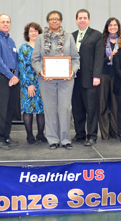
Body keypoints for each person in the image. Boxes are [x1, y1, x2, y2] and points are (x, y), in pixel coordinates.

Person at [31, 10, 80, 150]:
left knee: (64, 109)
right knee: (50, 109)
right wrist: (41, 72)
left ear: (61, 21)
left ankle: (65, 139)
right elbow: (35, 59)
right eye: (51, 19)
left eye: (57, 19)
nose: (54, 21)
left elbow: (75, 59)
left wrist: (72, 71)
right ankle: (52, 139)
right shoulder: (40, 38)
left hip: (66, 80)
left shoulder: (69, 37)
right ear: (47, 21)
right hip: (46, 80)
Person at [71, 9, 104, 146]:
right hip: (73, 79)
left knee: (91, 109)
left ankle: (91, 136)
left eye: (85, 18)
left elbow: (98, 57)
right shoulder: (71, 36)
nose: (82, 20)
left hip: (90, 79)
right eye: (80, 18)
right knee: (77, 108)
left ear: (89, 20)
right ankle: (80, 135)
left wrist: (96, 76)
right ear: (76, 20)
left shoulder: (96, 35)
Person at [0, 14, 19, 150]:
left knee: (9, 110)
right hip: (0, 77)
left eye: (8, 22)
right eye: (3, 22)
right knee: (0, 110)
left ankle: (6, 136)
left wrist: (15, 76)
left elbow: (16, 61)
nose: (5, 24)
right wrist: (10, 76)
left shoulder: (11, 41)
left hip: (12, 79)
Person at [18, 22, 46, 144]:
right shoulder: (24, 48)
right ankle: (29, 136)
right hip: (28, 84)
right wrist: (29, 84)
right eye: (31, 31)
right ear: (27, 34)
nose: (34, 33)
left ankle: (40, 134)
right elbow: (22, 67)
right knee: (28, 109)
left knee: (42, 109)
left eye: (36, 31)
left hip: (43, 83)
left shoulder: (44, 48)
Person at [99, 18, 121, 140]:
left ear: (118, 26)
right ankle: (105, 133)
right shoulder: (101, 41)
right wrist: (110, 57)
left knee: (115, 105)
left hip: (117, 76)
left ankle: (115, 132)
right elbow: (98, 61)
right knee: (103, 105)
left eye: (115, 25)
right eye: (110, 25)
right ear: (107, 27)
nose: (113, 27)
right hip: (103, 75)